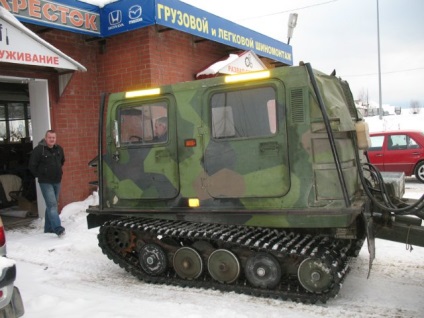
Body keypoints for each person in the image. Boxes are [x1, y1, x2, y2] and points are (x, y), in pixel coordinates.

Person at [29, 129, 66, 237]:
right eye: (50, 137)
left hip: (57, 180)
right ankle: (58, 229)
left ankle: (48, 228)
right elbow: (32, 165)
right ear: (45, 138)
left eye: (53, 138)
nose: (52, 139)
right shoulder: (39, 150)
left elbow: (62, 161)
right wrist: (41, 175)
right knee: (52, 205)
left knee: (51, 204)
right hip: (45, 182)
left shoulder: (59, 149)